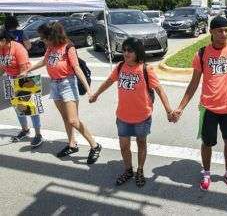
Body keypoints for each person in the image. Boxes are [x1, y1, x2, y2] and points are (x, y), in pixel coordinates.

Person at [172, 16, 227, 191]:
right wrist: (180, 107)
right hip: (208, 107)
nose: (224, 34)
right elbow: (193, 83)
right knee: (207, 143)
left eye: (226, 30)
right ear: (211, 32)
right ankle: (207, 173)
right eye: (220, 31)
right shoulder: (201, 53)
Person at [89, 37, 173, 187]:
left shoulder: (146, 69)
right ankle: (128, 170)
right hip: (123, 116)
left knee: (141, 143)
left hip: (142, 116)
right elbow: (109, 81)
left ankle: (140, 170)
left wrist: (169, 110)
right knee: (124, 146)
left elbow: (159, 90)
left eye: (130, 50)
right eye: (124, 50)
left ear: (138, 52)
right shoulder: (120, 66)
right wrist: (96, 94)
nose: (126, 53)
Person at [24, 22, 102, 164]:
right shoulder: (51, 47)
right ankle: (72, 144)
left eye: (44, 37)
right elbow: (44, 61)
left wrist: (90, 91)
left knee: (73, 120)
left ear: (52, 36)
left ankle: (95, 145)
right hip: (55, 84)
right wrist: (29, 69)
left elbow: (77, 68)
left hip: (68, 84)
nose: (42, 40)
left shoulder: (68, 47)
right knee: (66, 118)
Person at [0, 28, 43, 148]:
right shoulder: (1, 48)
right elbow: (3, 67)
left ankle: (38, 134)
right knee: (17, 107)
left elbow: (24, 69)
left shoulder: (18, 48)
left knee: (31, 108)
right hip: (10, 78)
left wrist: (18, 86)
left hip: (24, 78)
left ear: (4, 40)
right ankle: (25, 130)